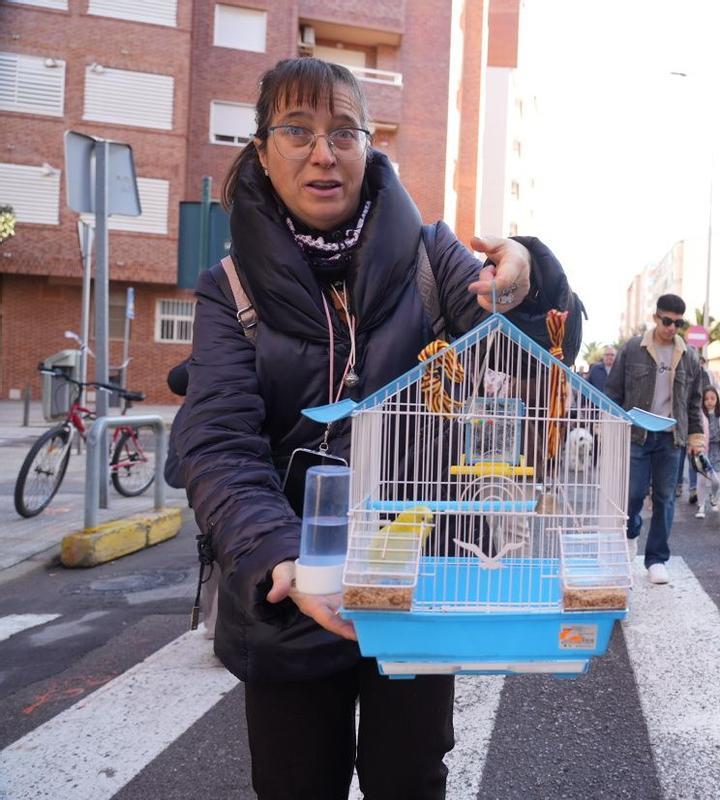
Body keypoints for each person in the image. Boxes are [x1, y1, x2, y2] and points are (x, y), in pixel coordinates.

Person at [169, 58, 579, 800]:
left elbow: (534, 351)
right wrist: (280, 558)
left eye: (343, 131)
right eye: (297, 130)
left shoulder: (431, 255)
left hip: (421, 580)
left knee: (409, 779)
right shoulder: (229, 287)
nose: (323, 153)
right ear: (262, 149)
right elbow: (217, 441)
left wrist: (530, 280)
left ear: (368, 144)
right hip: (294, 590)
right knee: (297, 784)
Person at [605, 293, 703, 585]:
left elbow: (694, 402)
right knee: (633, 495)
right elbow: (613, 392)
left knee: (665, 499)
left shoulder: (689, 356)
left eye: (678, 323)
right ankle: (631, 532)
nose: (672, 327)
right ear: (656, 317)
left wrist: (696, 436)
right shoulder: (633, 349)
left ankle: (657, 559)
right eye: (667, 321)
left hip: (671, 438)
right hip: (637, 434)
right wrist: (612, 425)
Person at [694, 386, 720, 519]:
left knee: (716, 481)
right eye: (706, 399)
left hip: (717, 451)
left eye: (712, 398)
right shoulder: (700, 415)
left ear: (717, 399)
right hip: (702, 451)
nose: (709, 401)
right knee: (701, 480)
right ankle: (701, 506)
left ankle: (713, 496)